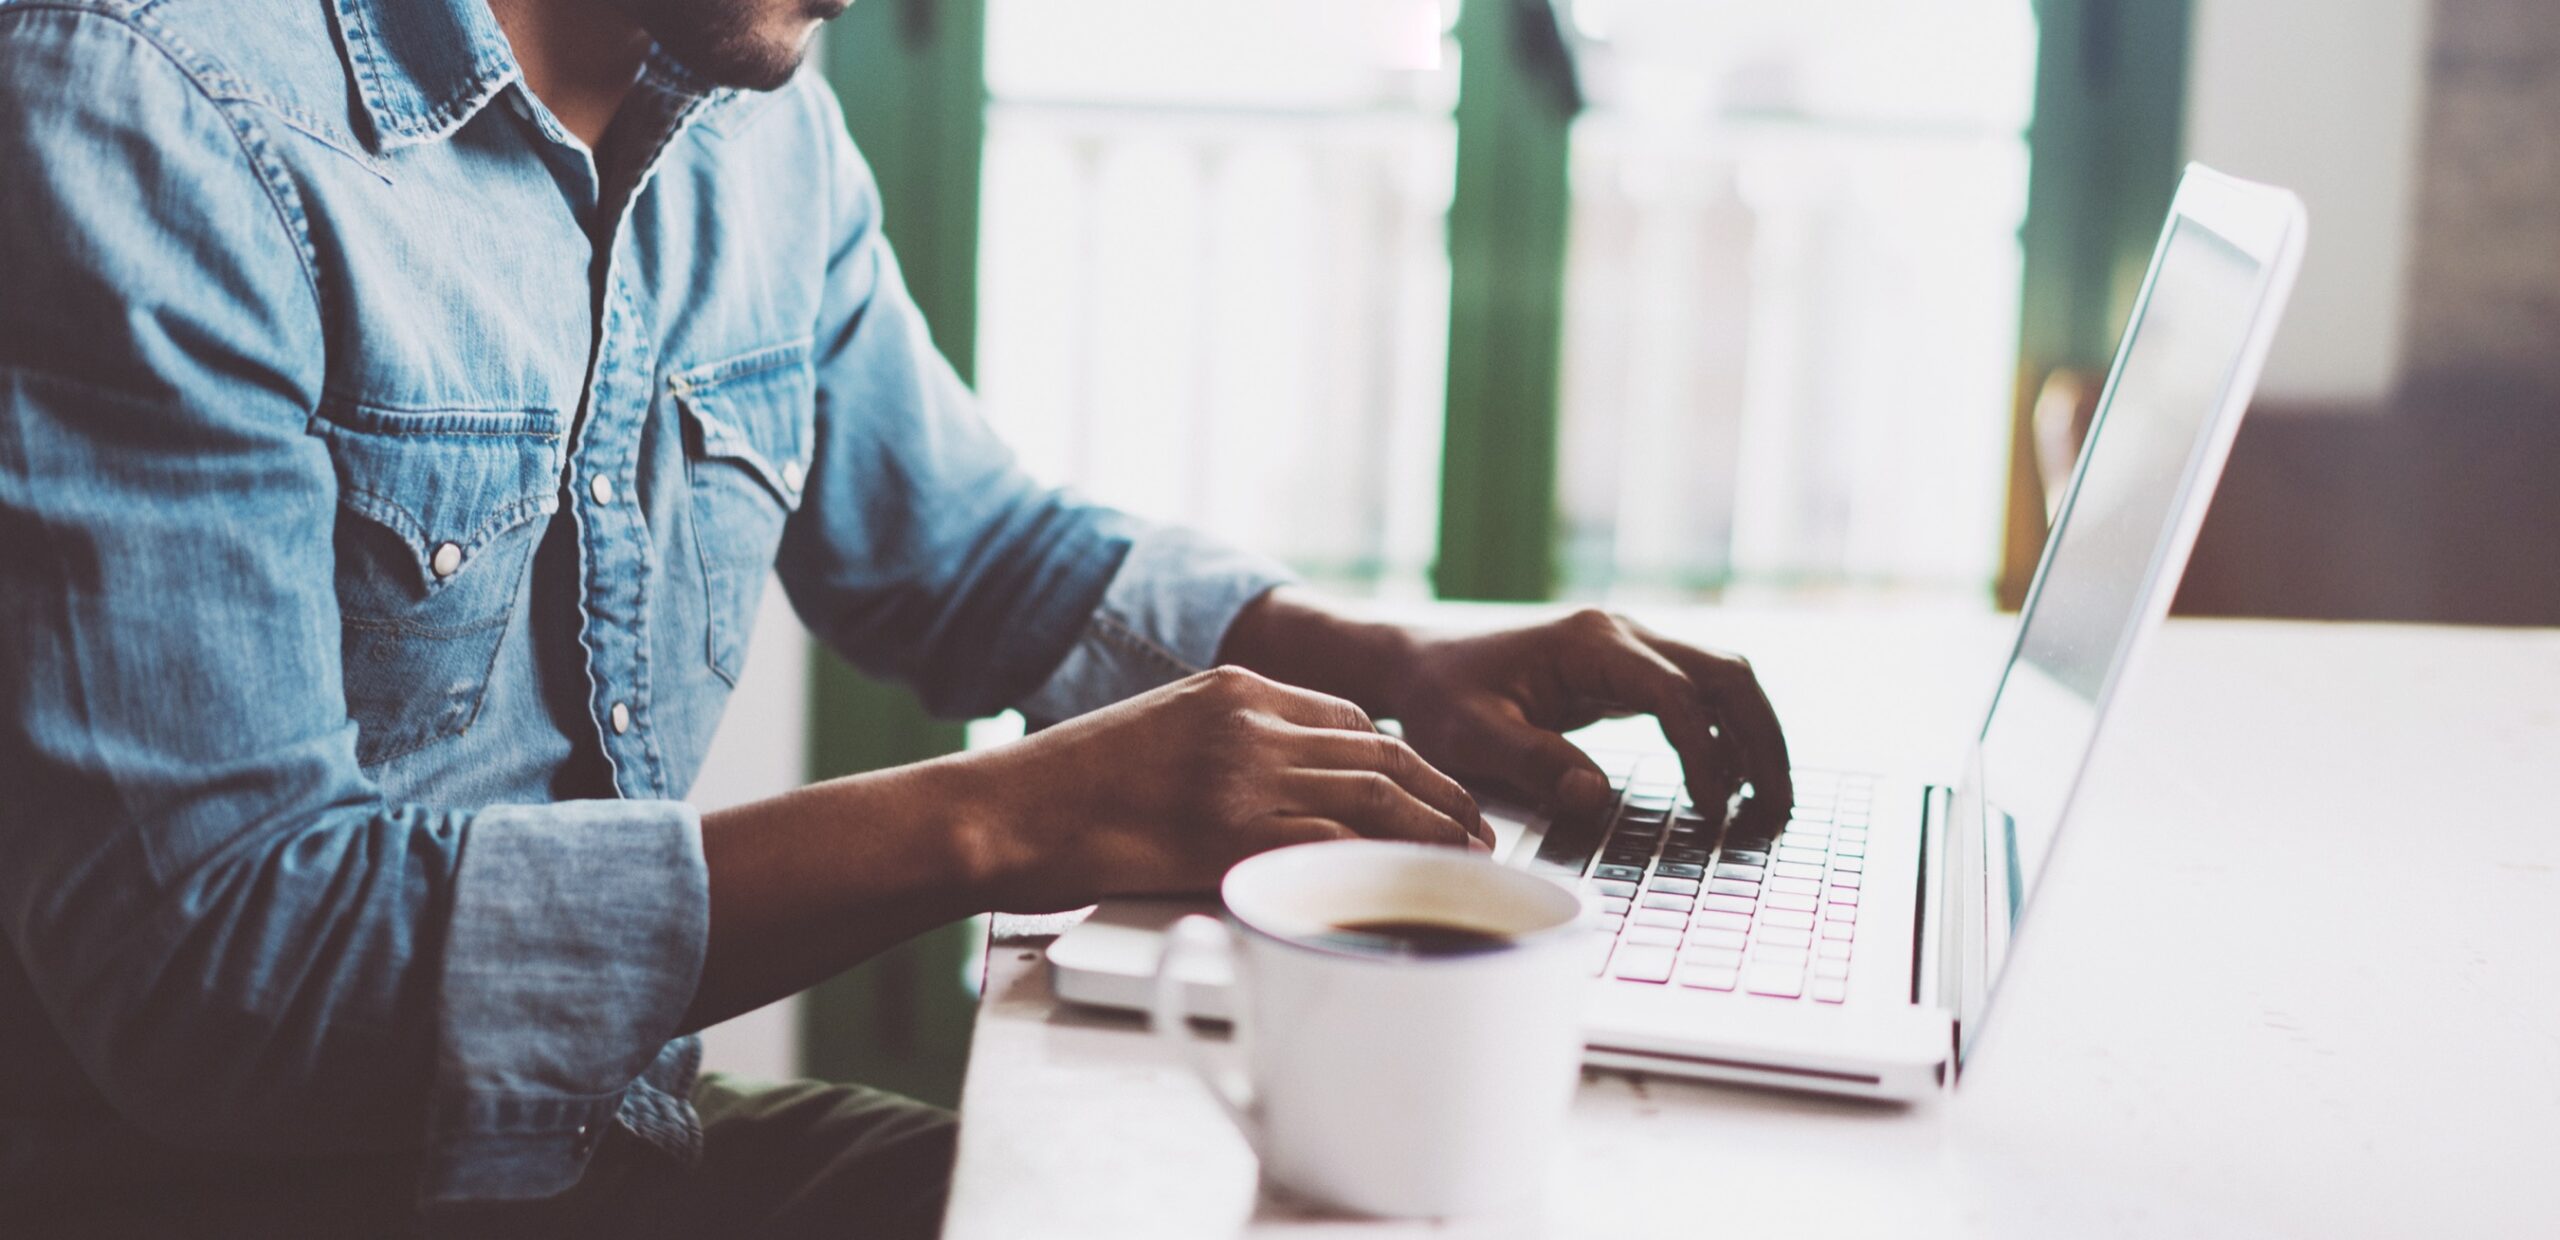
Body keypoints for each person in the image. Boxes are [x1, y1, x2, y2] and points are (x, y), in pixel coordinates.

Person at [0, 0, 1793, 1234]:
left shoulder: (747, 116)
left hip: (607, 1159)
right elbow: (209, 968)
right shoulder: (143, 110)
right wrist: (1009, 818)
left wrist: (1388, 664)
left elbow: (975, 554)